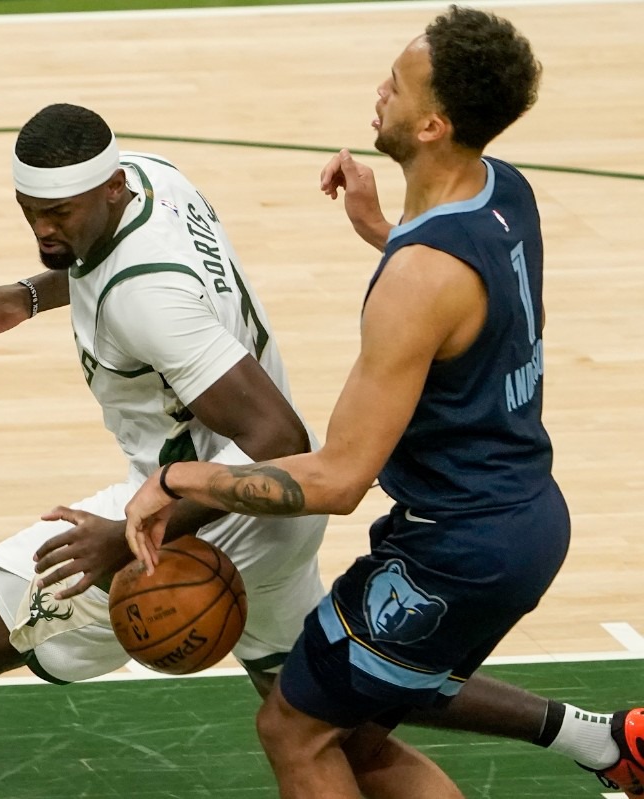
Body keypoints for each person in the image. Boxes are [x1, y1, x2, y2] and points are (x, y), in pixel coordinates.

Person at [123, 7, 643, 797]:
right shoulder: (505, 194)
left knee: (294, 728)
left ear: (433, 123)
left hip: (455, 551)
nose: (380, 92)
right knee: (357, 725)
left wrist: (177, 482)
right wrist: (384, 230)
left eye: (395, 85)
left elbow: (336, 481)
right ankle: (607, 745)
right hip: (521, 515)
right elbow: (465, 307)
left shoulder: (419, 279)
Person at [0, 102, 331, 799]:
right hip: (276, 519)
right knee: (326, 724)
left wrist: (129, 537)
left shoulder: (151, 301)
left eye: (57, 213)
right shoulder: (156, 180)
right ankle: (564, 728)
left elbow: (283, 443)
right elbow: (101, 253)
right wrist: (29, 295)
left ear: (110, 189)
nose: (42, 228)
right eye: (28, 209)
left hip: (215, 509)